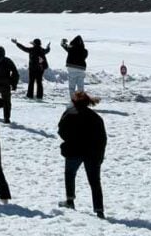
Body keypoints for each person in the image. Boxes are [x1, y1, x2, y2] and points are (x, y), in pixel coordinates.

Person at [58, 91, 107, 219]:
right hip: (93, 153)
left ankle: (70, 201)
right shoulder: (96, 117)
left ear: (74, 101)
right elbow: (102, 139)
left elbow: (61, 130)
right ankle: (99, 210)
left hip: (74, 151)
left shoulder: (69, 113)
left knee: (70, 174)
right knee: (95, 182)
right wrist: (100, 156)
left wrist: (70, 140)